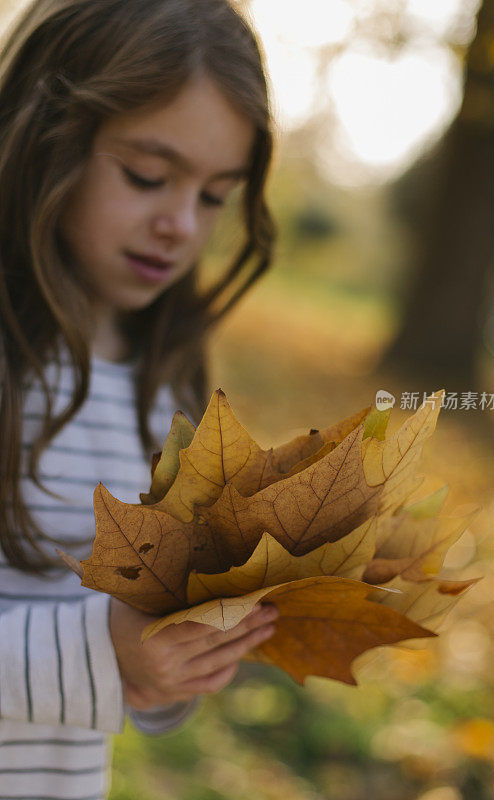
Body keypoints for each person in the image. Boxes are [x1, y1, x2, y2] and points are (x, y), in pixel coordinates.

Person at [0, 0, 280, 796]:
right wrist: (100, 650)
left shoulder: (162, 387)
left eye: (214, 195)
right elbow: (95, 651)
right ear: (44, 136)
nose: (179, 225)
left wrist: (178, 663)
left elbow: (123, 681)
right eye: (148, 177)